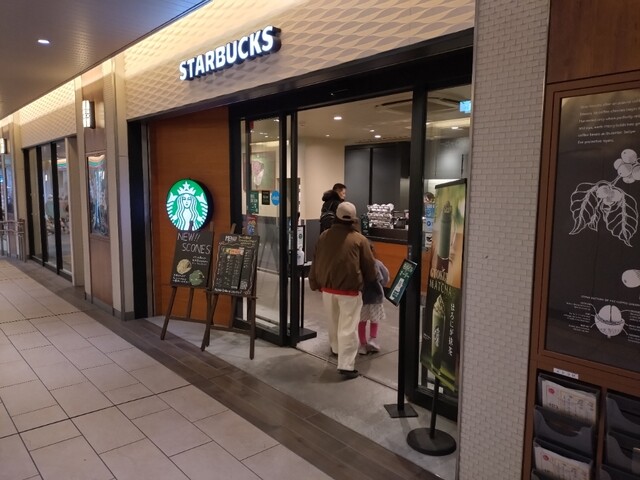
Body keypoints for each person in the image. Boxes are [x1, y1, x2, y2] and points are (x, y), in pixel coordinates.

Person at [309, 201, 377, 379]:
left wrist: (314, 282)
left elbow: (316, 259)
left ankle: (336, 349)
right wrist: (371, 281)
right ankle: (346, 365)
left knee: (333, 322)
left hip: (327, 289)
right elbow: (370, 268)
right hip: (350, 290)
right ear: (353, 219)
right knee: (348, 327)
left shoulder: (324, 236)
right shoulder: (359, 239)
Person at [358, 243, 390, 355]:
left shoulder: (358, 264)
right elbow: (386, 278)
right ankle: (372, 339)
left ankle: (362, 345)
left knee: (361, 322)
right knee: (374, 320)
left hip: (362, 298)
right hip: (376, 297)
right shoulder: (378, 263)